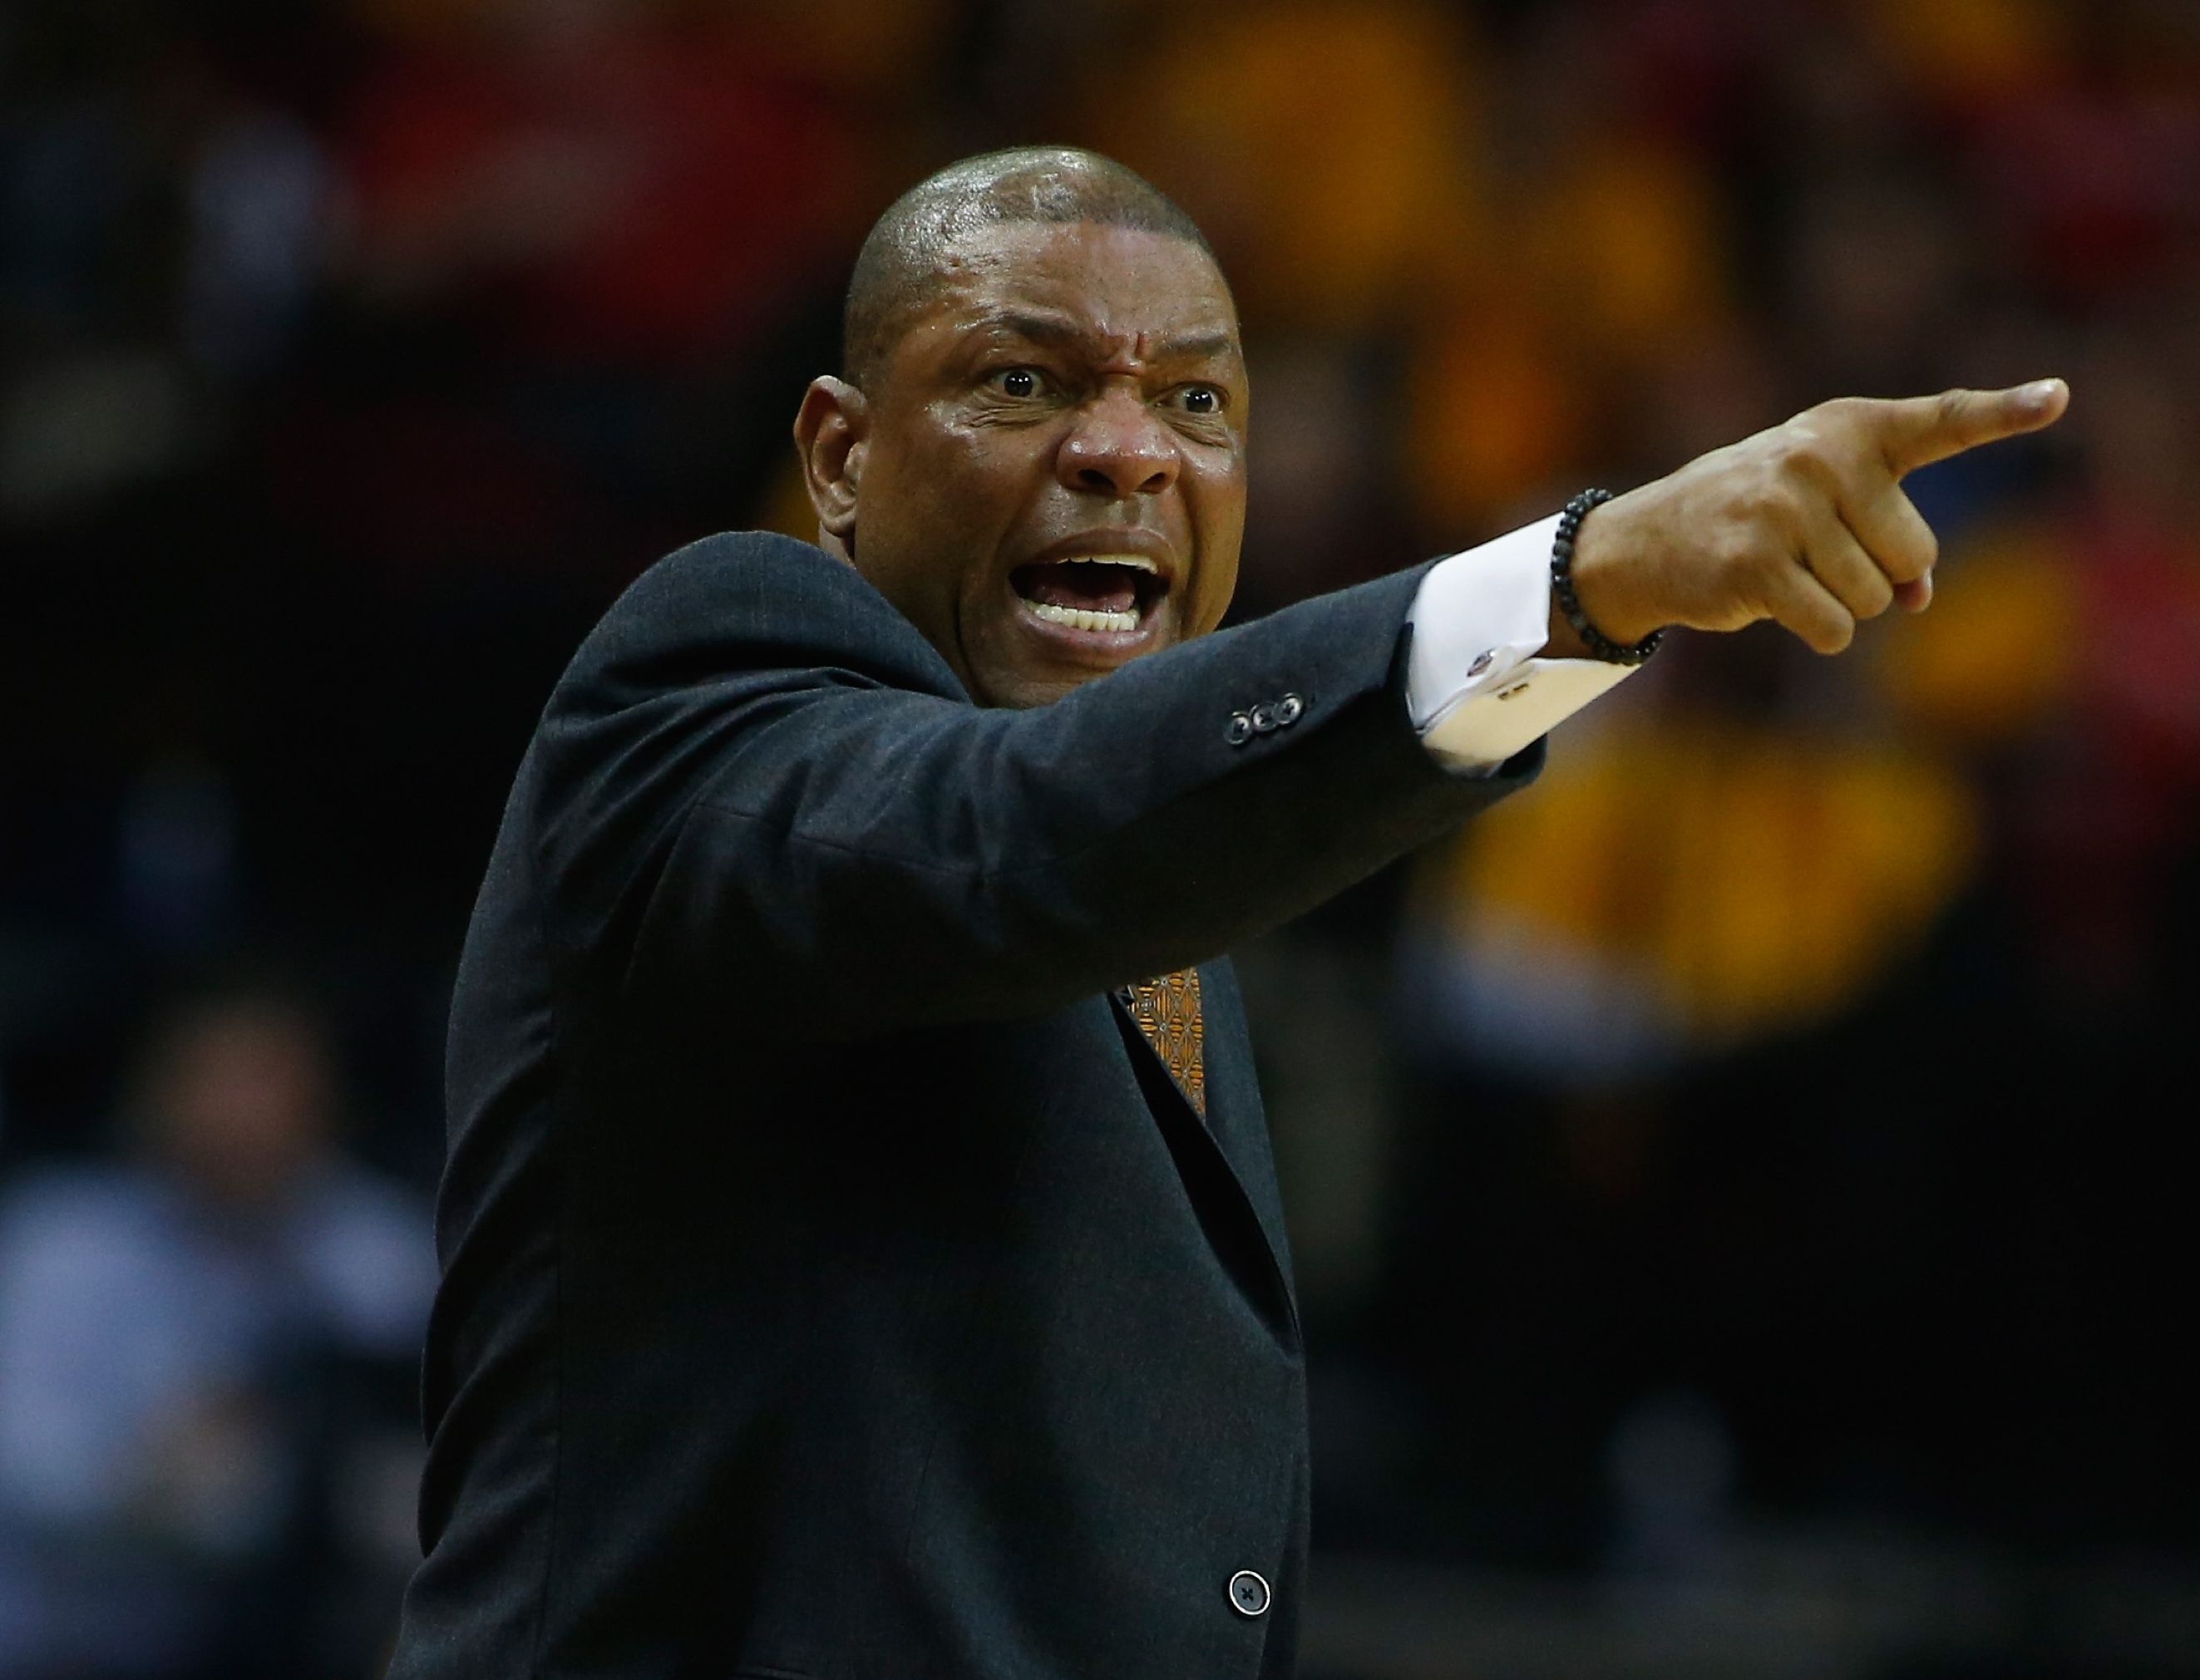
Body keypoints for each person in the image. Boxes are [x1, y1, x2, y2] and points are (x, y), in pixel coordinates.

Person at [391, 145, 2066, 1679]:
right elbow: (1007, 836)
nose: (1127, 450)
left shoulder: (1171, 891)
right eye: (1025, 380)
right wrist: (1583, 580)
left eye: (1198, 402)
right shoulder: (715, 683)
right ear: (839, 452)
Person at [0, 986, 435, 1679]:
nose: (240, 1115)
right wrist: (150, 1475)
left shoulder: (381, 1252)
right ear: (151, 1099)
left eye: (266, 1082)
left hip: (315, 1644)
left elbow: (431, 1471)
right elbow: (26, 1473)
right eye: (213, 1082)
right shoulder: (61, 1243)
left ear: (325, 1103)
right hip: (82, 1647)